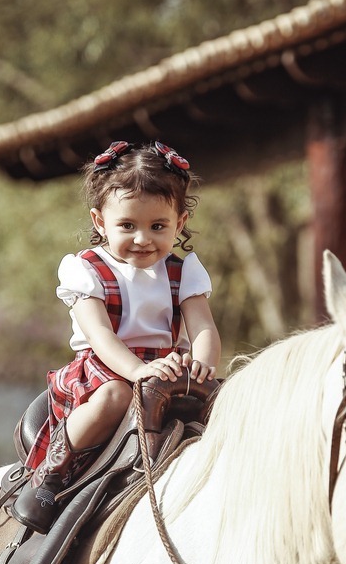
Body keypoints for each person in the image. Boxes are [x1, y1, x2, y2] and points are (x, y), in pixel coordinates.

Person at [12, 139, 221, 534]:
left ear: (179, 224)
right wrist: (139, 370)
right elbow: (102, 337)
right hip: (105, 368)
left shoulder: (184, 272)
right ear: (99, 221)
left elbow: (204, 328)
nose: (143, 238)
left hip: (167, 372)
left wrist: (201, 369)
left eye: (157, 226)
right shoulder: (85, 271)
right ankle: (50, 474)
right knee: (115, 397)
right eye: (127, 225)